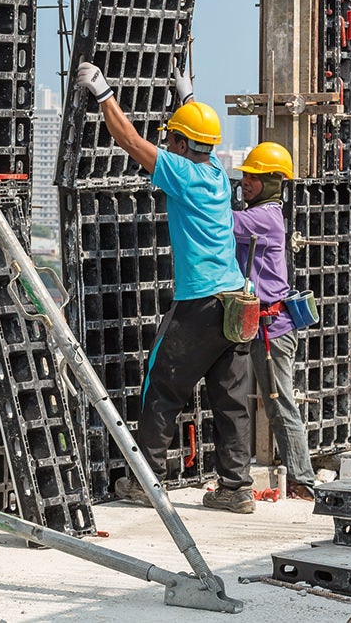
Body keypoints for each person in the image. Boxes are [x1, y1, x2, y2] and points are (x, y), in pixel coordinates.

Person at [75, 62, 256, 514]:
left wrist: (104, 93)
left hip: (199, 305)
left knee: (162, 389)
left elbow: (131, 142)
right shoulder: (215, 171)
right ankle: (236, 489)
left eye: (171, 138)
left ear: (177, 144)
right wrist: (188, 98)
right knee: (231, 400)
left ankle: (146, 480)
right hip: (237, 303)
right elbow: (197, 137)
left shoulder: (183, 174)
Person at [232, 142, 317, 500]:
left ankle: (303, 478)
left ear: (273, 182)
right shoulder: (259, 213)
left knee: (281, 403)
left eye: (254, 176)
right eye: (245, 175)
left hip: (271, 330)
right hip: (251, 324)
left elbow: (221, 222)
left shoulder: (264, 217)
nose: (246, 181)